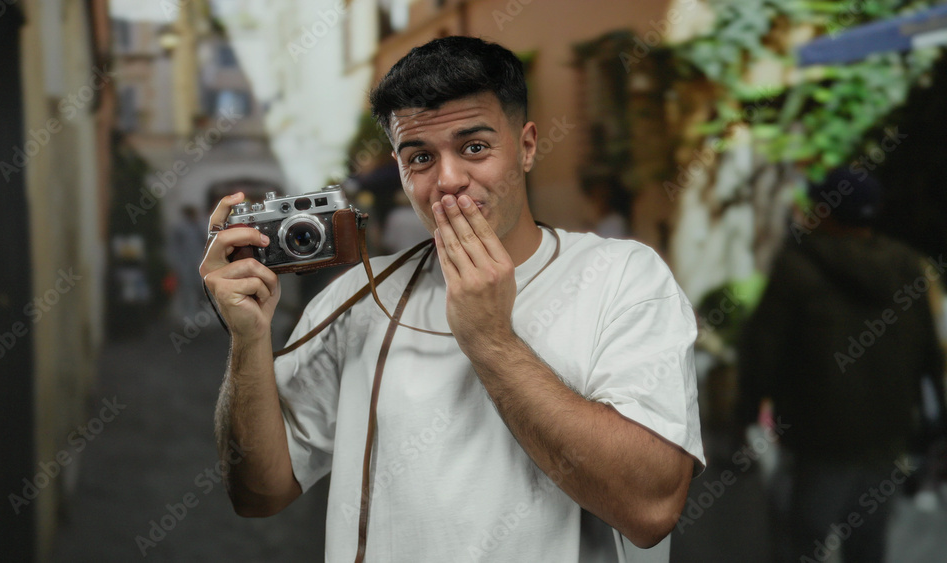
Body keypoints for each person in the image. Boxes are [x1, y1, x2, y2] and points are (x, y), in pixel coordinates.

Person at [200, 36, 704, 562]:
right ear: (400, 170)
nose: (448, 180)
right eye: (420, 157)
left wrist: (491, 340)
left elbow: (651, 509)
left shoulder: (622, 278)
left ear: (527, 146)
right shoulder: (356, 301)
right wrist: (248, 339)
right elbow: (258, 493)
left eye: (475, 147)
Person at [737, 167, 946, 563]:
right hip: (887, 435)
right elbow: (929, 355)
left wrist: (745, 413)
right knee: (868, 546)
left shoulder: (797, 268)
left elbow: (763, 349)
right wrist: (933, 423)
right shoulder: (906, 266)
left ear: (827, 212)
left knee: (801, 543)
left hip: (818, 439)